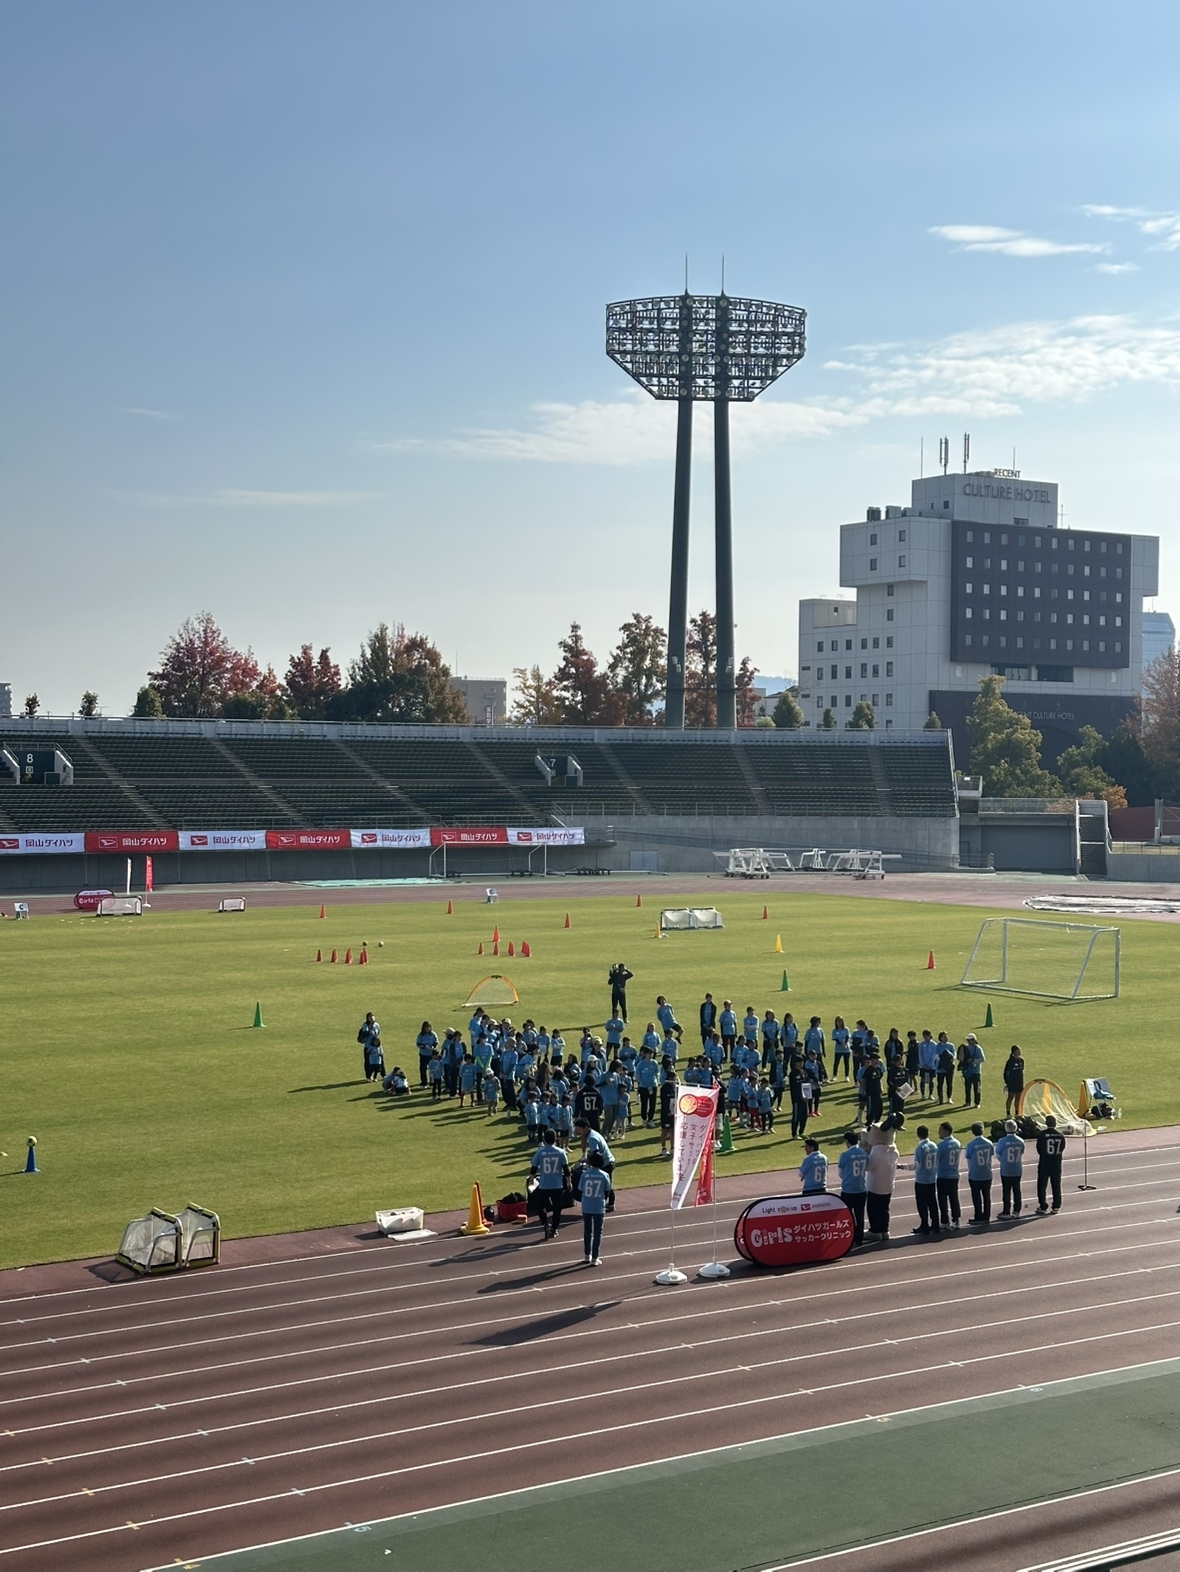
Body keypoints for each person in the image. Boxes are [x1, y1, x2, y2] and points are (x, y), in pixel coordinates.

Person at [529, 1129, 571, 1240]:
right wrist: (569, 1182)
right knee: (557, 1208)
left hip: (544, 1185)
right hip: (557, 1185)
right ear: (555, 1139)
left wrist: (531, 1179)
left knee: (540, 1206)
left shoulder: (540, 1152)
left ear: (544, 1139)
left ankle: (545, 1223)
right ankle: (554, 1228)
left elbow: (534, 1167)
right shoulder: (561, 1152)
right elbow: (566, 1169)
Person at [864, 1117, 900, 1242]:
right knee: (885, 1209)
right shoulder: (894, 1150)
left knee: (873, 1209)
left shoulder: (877, 1151)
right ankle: (885, 1230)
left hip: (875, 1186)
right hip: (888, 1185)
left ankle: (875, 1231)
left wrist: (866, 1151)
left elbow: (868, 1167)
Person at [578, 1151, 612, 1265]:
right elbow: (607, 1191)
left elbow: (581, 1189)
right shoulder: (604, 1175)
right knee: (598, 1232)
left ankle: (587, 1255)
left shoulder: (585, 1174)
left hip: (586, 1205)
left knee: (587, 1231)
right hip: (598, 1206)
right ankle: (595, 1257)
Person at [838, 1130, 868, 1247]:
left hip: (848, 1190)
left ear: (847, 1141)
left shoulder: (845, 1155)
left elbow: (841, 1174)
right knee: (860, 1215)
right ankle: (859, 1238)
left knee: (848, 1216)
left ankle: (849, 1237)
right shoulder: (863, 1153)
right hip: (861, 1188)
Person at [911, 1124, 940, 1235]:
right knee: (932, 1202)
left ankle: (925, 1225)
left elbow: (917, 1165)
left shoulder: (920, 1148)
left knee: (922, 1204)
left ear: (918, 1135)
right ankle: (936, 1224)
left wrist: (903, 1167)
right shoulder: (934, 1146)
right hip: (931, 1178)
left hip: (921, 1179)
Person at [964, 1121, 995, 1225]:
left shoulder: (971, 1144)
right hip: (987, 1173)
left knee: (976, 1197)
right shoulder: (988, 1143)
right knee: (987, 1196)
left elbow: (968, 1157)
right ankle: (986, 1216)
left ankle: (978, 1216)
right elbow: (991, 1154)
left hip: (975, 1174)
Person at [1036, 1115, 1067, 1213]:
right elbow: (1062, 1148)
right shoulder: (1060, 1136)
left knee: (1042, 1185)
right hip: (1056, 1163)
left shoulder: (1042, 1135)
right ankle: (1056, 1205)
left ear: (1046, 1123)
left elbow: (1039, 1149)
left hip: (1044, 1162)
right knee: (1056, 1185)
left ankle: (1043, 1205)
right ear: (1055, 1124)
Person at [995, 1119, 1025, 1217]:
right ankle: (1017, 1211)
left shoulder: (1002, 1141)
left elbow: (997, 1155)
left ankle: (1006, 1211)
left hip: (1006, 1169)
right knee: (1017, 1190)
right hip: (1017, 1168)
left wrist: (1004, 1161)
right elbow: (1021, 1152)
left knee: (1006, 1191)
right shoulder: (1020, 1141)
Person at [935, 1120, 962, 1230]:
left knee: (942, 1200)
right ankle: (956, 1219)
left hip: (943, 1175)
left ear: (946, 1131)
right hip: (954, 1174)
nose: (939, 1133)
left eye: (940, 1130)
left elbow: (936, 1160)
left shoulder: (941, 1146)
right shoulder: (957, 1143)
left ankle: (945, 1221)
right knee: (954, 1198)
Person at [960, 1033, 985, 1108]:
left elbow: (982, 1059)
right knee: (967, 1088)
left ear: (974, 1040)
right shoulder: (965, 1048)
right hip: (967, 1072)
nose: (968, 1041)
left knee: (976, 1088)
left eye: (969, 1040)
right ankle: (967, 1102)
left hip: (976, 1072)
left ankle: (977, 1103)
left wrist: (973, 1061)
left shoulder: (978, 1048)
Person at [658, 1067, 678, 1157]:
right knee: (665, 1130)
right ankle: (663, 1148)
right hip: (666, 1113)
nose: (675, 1080)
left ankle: (673, 1147)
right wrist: (668, 1111)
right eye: (674, 1079)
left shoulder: (675, 1087)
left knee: (673, 1130)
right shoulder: (664, 1088)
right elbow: (664, 1101)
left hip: (674, 1112)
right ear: (670, 1078)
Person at [1003, 1045, 1026, 1117]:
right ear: (1014, 1052)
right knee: (1010, 1097)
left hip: (1019, 1082)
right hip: (1012, 1083)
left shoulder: (1021, 1061)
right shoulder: (1010, 1062)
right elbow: (1006, 1073)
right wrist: (1007, 1083)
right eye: (1018, 1050)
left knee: (1018, 1098)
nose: (1019, 1051)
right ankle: (1008, 1113)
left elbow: (1021, 1071)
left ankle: (1017, 1112)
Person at [358, 1012, 381, 1079]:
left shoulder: (377, 1025)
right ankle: (368, 1076)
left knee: (377, 1061)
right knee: (368, 1062)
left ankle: (376, 1076)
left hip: (375, 1046)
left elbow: (378, 1033)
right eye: (370, 1017)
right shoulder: (365, 1026)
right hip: (368, 1046)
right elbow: (363, 1036)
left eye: (373, 1016)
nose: (372, 1018)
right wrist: (368, 1031)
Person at [415, 1021, 438, 1088]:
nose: (428, 1029)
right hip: (423, 1055)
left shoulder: (433, 1034)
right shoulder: (420, 1035)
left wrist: (433, 1046)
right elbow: (418, 1044)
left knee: (432, 1069)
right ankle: (424, 1083)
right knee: (423, 1069)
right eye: (426, 1027)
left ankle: (432, 1082)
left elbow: (436, 1042)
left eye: (429, 1027)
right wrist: (424, 1047)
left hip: (431, 1055)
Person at [935, 1034, 956, 1104]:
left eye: (947, 1036)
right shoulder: (938, 1046)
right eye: (944, 1037)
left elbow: (954, 1055)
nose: (946, 1038)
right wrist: (943, 1062)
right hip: (941, 1068)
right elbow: (936, 1056)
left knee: (949, 1083)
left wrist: (950, 1060)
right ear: (940, 1038)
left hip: (949, 1068)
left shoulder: (951, 1045)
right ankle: (939, 1097)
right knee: (940, 1084)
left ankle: (949, 1098)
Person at [831, 1016, 851, 1081]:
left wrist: (844, 1043)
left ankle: (846, 1076)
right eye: (838, 1022)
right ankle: (834, 1075)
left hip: (846, 1049)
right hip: (838, 1049)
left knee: (846, 1063)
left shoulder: (846, 1029)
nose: (839, 1023)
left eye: (840, 1021)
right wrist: (840, 1044)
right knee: (836, 1062)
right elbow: (835, 1039)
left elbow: (847, 1037)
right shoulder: (835, 1030)